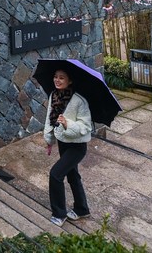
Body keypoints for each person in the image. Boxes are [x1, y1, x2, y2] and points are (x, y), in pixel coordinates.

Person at [43, 67, 92, 226]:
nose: (57, 80)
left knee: (55, 174)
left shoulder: (79, 101)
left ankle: (59, 214)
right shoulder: (53, 95)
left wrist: (67, 123)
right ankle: (82, 209)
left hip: (77, 147)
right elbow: (49, 119)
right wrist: (49, 139)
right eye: (55, 77)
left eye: (62, 78)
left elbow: (86, 127)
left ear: (69, 80)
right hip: (63, 143)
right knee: (72, 176)